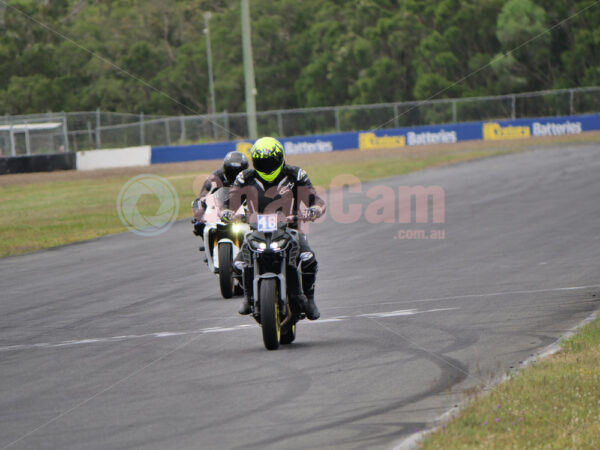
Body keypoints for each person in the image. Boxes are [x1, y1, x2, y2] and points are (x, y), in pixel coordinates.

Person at [223, 137, 325, 320]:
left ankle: (309, 299)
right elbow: (230, 202)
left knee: (308, 258)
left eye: (270, 161)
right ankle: (248, 296)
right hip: (256, 231)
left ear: (280, 158)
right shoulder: (244, 177)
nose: (267, 165)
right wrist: (227, 212)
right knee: (238, 264)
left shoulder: (296, 174)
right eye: (261, 162)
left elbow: (314, 199)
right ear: (254, 161)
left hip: (290, 229)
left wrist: (315, 209)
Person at [191, 151, 249, 240]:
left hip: (240, 210)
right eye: (231, 172)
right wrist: (199, 212)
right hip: (219, 208)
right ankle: (208, 243)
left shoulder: (249, 177)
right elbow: (202, 196)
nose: (235, 176)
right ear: (225, 169)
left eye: (238, 173)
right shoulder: (215, 177)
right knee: (199, 225)